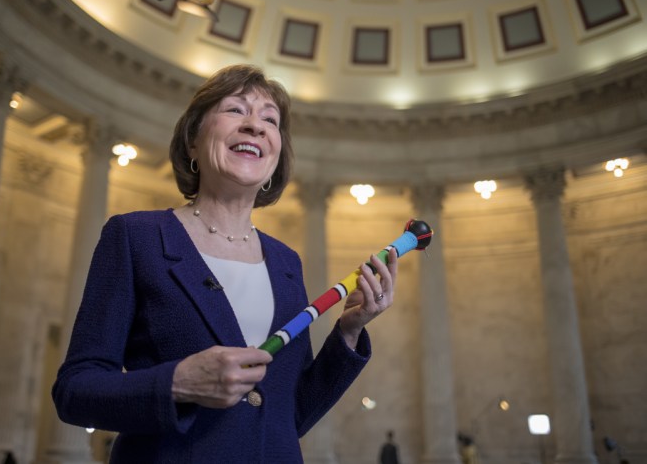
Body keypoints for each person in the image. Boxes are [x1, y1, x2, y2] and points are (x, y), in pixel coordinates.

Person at [52, 64, 399, 463]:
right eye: (236, 110)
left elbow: (292, 415)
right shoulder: (135, 237)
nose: (256, 126)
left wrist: (349, 332)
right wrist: (177, 383)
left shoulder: (287, 263)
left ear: (275, 155)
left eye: (270, 119)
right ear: (193, 141)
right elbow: (75, 391)